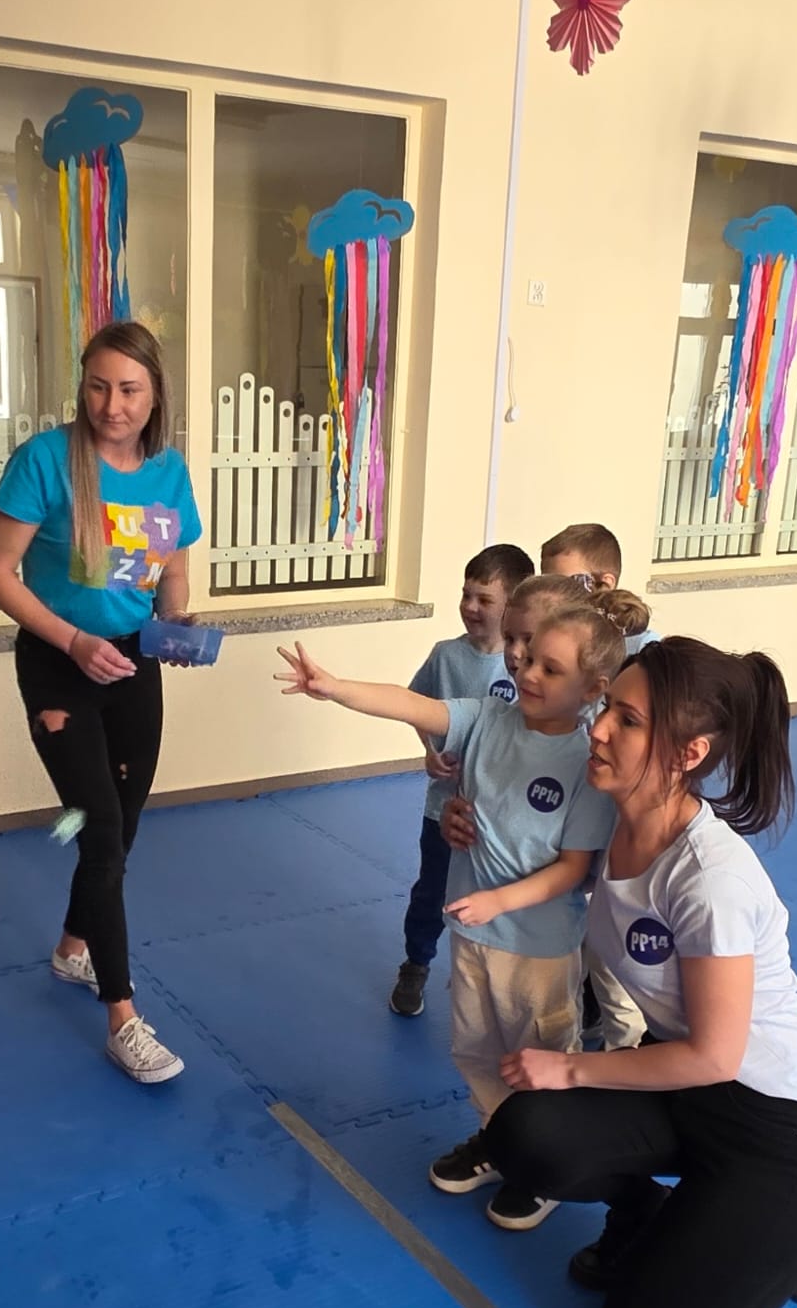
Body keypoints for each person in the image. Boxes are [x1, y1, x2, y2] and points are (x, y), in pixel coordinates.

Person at [483, 637, 797, 1308]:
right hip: (679, 1089)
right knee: (526, 1136)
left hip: (767, 1123)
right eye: (607, 708)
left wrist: (570, 1067)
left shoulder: (711, 879)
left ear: (688, 753)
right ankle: (652, 1219)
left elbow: (717, 1056)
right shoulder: (610, 811)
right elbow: (524, 816)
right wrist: (464, 815)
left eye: (627, 721)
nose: (599, 728)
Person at [278, 577, 645, 1230]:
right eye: (526, 657)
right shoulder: (488, 718)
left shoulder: (586, 760)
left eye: (550, 668)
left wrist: (499, 899)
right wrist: (334, 687)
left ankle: (543, 1167)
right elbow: (412, 704)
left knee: (539, 1057)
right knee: (478, 1051)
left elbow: (573, 869)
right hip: (475, 937)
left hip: (537, 949)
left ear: (593, 688)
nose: (527, 672)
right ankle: (500, 1138)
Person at [0, 322, 203, 1086]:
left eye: (130, 389)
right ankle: (123, 1016)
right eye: (99, 386)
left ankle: (74, 947)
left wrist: (178, 622)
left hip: (135, 663)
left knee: (122, 827)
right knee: (100, 829)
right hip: (59, 668)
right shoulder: (44, 461)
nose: (112, 405)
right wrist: (73, 641)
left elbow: (171, 569)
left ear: (155, 395)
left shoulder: (168, 471)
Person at [390, 543, 535, 1021]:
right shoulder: (446, 655)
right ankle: (416, 963)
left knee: (499, 897)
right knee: (432, 892)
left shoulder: (528, 667)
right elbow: (418, 704)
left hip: (503, 817)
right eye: (466, 595)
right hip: (444, 808)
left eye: (484, 599)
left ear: (513, 604)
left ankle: (497, 974)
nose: (471, 607)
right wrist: (430, 751)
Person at [540, 521, 655, 1051]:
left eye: (564, 582)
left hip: (623, 831)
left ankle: (625, 1058)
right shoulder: (568, 649)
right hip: (576, 819)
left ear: (602, 582)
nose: (554, 593)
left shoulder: (651, 660)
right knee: (579, 938)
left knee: (617, 963)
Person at [540, 523, 659, 657]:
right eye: (546, 583)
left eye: (564, 583)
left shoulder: (642, 646)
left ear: (605, 583)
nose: (551, 592)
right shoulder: (547, 635)